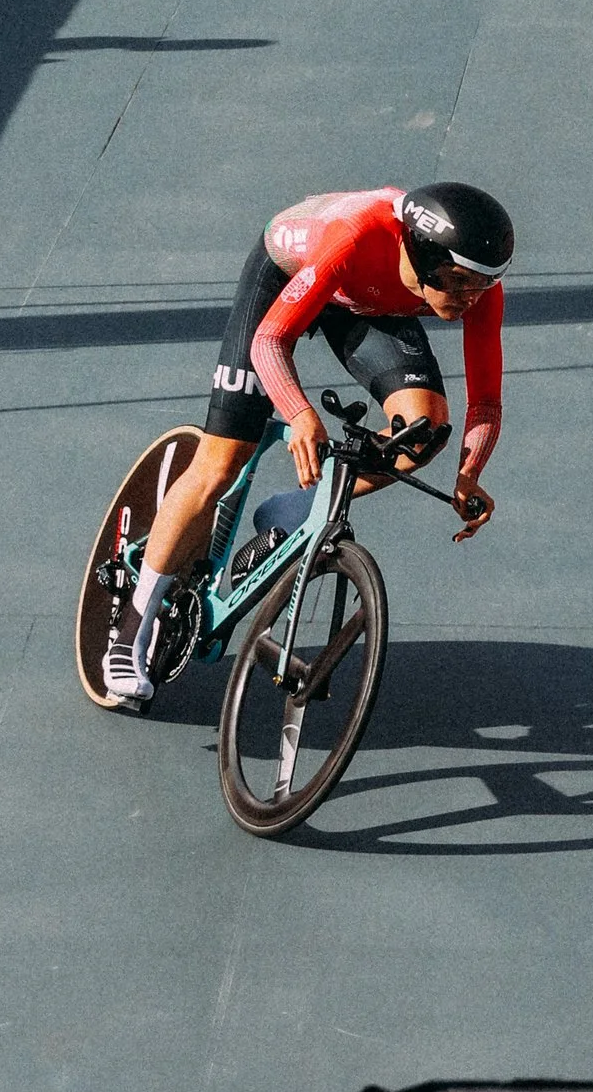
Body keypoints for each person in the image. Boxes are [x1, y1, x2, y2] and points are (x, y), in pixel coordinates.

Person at [103, 181, 516, 711]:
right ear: (421, 252)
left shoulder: (475, 289)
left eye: (481, 287)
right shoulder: (355, 237)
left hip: (362, 300)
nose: (470, 299)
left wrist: (469, 472)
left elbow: (485, 401)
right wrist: (299, 414)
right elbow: (270, 341)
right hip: (290, 275)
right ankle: (132, 625)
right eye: (459, 283)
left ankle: (294, 508)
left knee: (423, 430)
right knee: (222, 460)